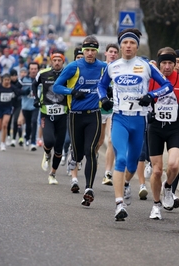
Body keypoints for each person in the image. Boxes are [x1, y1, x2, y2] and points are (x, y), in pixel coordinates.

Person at [97, 28, 173, 221]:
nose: (128, 46)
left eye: (132, 43)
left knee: (132, 164)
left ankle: (125, 184)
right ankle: (119, 204)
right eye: (125, 43)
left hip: (139, 120)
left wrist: (151, 96)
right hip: (120, 118)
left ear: (137, 47)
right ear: (120, 46)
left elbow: (167, 86)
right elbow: (101, 85)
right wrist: (103, 98)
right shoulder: (113, 67)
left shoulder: (146, 66)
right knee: (120, 159)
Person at [53, 36, 107, 206]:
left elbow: (112, 85)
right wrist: (72, 92)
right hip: (75, 115)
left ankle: (89, 189)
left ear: (97, 51)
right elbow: (56, 86)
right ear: (82, 51)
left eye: (93, 50)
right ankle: (73, 156)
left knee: (90, 150)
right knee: (79, 152)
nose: (90, 54)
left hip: (94, 114)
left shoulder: (103, 68)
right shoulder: (74, 67)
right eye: (87, 50)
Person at [146, 47, 179, 220]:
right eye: (163, 63)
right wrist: (147, 110)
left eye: (170, 63)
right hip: (156, 128)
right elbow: (145, 96)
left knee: (173, 165)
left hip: (174, 128)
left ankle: (169, 186)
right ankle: (156, 205)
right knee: (157, 171)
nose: (167, 66)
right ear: (158, 64)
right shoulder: (152, 78)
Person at [32, 52, 66, 185]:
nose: (57, 62)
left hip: (63, 114)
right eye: (55, 60)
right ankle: (46, 154)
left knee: (58, 148)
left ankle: (53, 174)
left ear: (63, 62)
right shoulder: (43, 73)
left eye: (59, 60)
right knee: (49, 140)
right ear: (51, 62)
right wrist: (36, 98)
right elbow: (34, 85)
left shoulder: (68, 73)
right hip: (46, 113)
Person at [0, 73, 29, 151]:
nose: (7, 81)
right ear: (2, 80)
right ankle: (3, 139)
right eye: (5, 80)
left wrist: (28, 90)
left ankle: (2, 143)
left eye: (8, 80)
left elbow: (19, 92)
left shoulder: (12, 87)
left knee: (5, 125)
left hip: (8, 108)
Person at [99, 43, 119, 186]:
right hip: (99, 109)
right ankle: (91, 165)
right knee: (98, 142)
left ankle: (107, 173)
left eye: (115, 52)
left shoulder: (120, 69)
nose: (113, 54)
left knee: (111, 140)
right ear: (105, 53)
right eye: (110, 52)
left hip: (114, 110)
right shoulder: (100, 68)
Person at [61, 46, 83, 167]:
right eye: (78, 58)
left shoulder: (89, 71)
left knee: (81, 140)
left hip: (85, 111)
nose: (80, 60)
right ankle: (65, 153)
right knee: (69, 139)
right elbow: (59, 87)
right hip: (70, 109)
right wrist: (72, 91)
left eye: (82, 57)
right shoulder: (70, 70)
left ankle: (76, 159)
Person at [21, 62, 40, 151]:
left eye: (35, 69)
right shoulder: (23, 80)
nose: (33, 71)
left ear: (38, 70)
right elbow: (18, 91)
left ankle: (33, 142)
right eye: (31, 69)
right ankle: (27, 138)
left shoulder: (40, 79)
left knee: (34, 121)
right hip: (26, 106)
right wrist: (27, 91)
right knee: (28, 124)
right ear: (29, 70)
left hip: (35, 105)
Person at [6, 69, 23, 147]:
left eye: (15, 75)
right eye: (12, 76)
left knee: (16, 120)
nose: (14, 77)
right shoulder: (7, 83)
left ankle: (14, 139)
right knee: (8, 121)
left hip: (18, 105)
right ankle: (8, 135)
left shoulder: (19, 83)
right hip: (9, 104)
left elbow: (21, 92)